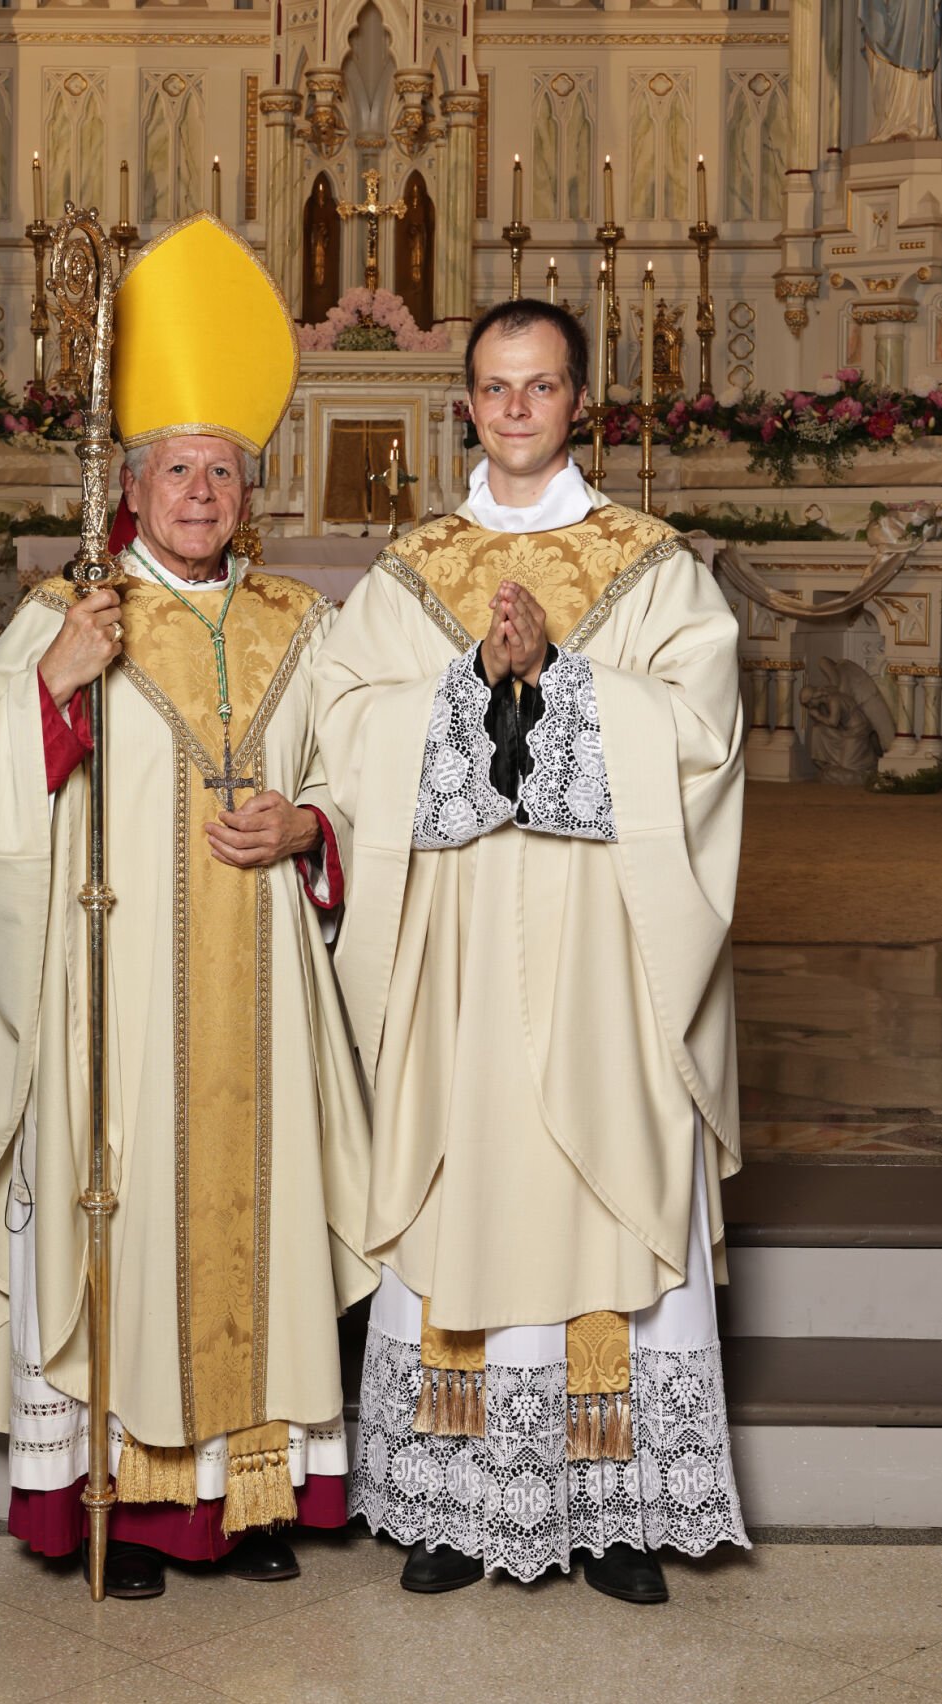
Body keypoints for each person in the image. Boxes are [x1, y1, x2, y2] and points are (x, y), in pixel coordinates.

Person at [0, 213, 374, 1601]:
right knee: (122, 1214)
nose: (200, 491)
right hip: (115, 999)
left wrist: (308, 826)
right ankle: (116, 1507)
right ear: (134, 482)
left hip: (262, 996)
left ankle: (247, 1505)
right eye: (177, 469)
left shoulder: (307, 625)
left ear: (253, 488)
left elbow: (362, 790)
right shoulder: (77, 607)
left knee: (255, 1217)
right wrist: (57, 686)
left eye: (223, 471)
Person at [314, 298, 750, 1601]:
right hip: (452, 942)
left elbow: (703, 737)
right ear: (465, 402)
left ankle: (608, 1509)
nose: (516, 408)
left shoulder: (651, 564)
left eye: (540, 386)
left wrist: (557, 676)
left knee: (599, 1176)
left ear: (576, 403)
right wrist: (465, 693)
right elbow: (346, 732)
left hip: (602, 945)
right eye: (495, 388)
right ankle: (455, 1503)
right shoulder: (408, 570)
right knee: (465, 1184)